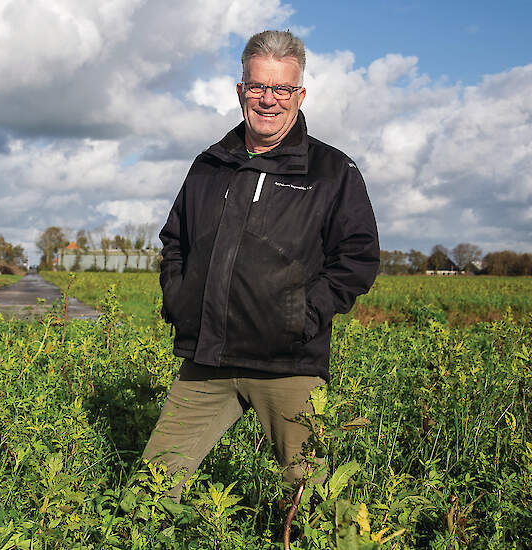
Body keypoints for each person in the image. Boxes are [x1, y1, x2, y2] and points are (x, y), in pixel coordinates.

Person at [143, 30, 379, 500]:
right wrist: (181, 300)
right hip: (207, 359)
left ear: (300, 94)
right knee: (150, 492)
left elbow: (358, 258)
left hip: (288, 364)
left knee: (315, 502)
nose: (269, 100)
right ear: (240, 90)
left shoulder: (333, 172)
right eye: (258, 86)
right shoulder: (208, 166)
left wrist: (301, 317)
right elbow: (175, 242)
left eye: (282, 89)